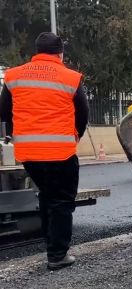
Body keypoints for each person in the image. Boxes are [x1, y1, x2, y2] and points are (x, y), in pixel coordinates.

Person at [0, 32, 89, 270]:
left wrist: (12, 134)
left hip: (29, 152)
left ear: (37, 52)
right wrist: (76, 134)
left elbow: (4, 111)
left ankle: (50, 245)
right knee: (61, 201)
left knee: (47, 197)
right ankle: (57, 255)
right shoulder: (70, 78)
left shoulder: (14, 76)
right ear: (60, 53)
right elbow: (83, 112)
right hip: (61, 152)